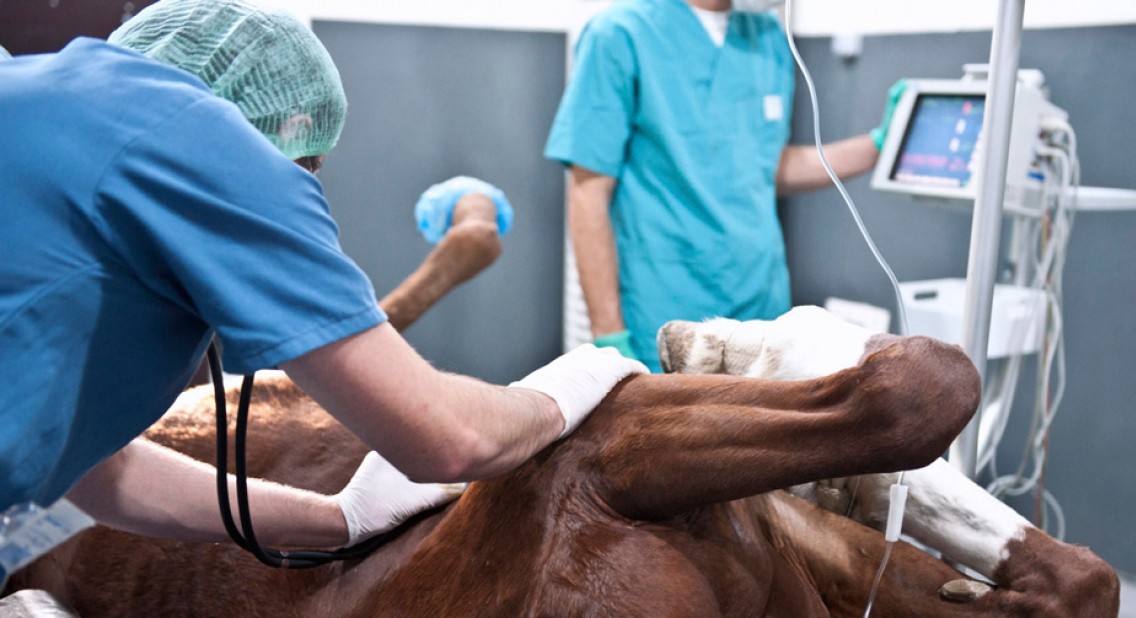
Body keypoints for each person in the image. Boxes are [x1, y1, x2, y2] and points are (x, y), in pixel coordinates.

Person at [0, 0, 646, 551]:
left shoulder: (34, 95)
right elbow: (452, 440)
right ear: (293, 128)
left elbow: (89, 468)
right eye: (308, 165)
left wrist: (340, 520)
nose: (300, 185)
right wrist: (563, 393)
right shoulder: (204, 142)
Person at [545, 0, 903, 370]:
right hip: (665, 308)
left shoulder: (766, 37)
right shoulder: (619, 35)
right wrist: (610, 339)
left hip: (761, 307)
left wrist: (880, 144)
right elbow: (588, 193)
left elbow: (763, 165)